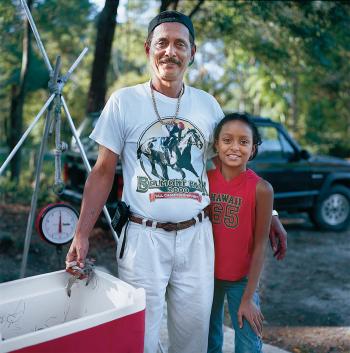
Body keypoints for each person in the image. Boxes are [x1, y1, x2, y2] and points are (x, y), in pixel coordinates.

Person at [66, 10, 287, 353]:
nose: (171, 51)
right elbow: (103, 171)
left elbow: (229, 168)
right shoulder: (124, 102)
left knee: (193, 341)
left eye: (179, 44)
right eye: (162, 43)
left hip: (197, 238)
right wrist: (81, 232)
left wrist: (270, 214)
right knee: (140, 337)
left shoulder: (207, 105)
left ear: (192, 52)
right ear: (147, 49)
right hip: (143, 238)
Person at [207, 113, 272, 353]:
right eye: (227, 140)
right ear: (216, 144)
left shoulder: (262, 189)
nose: (235, 147)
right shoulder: (204, 180)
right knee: (209, 340)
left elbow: (259, 246)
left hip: (242, 282)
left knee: (247, 344)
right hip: (206, 277)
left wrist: (248, 298)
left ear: (253, 148)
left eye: (243, 142)